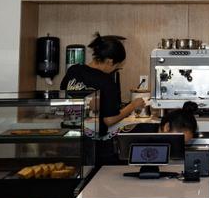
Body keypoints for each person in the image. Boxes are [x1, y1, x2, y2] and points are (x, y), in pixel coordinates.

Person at [60, 33, 146, 165]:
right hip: (93, 144)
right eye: (117, 65)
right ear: (110, 61)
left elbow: (64, 96)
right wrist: (133, 105)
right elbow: (109, 120)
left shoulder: (74, 70)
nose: (116, 69)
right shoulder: (106, 82)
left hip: (69, 138)